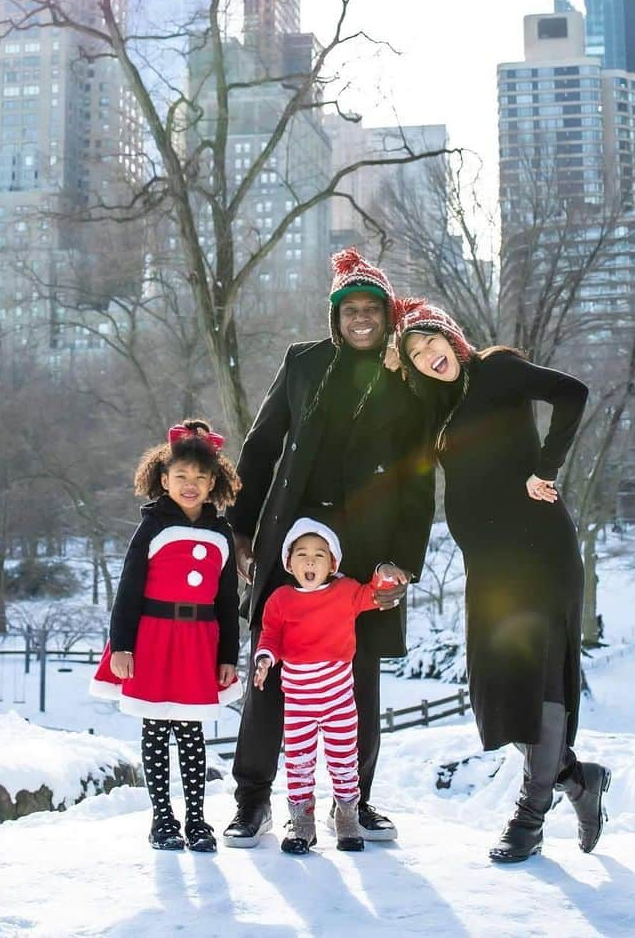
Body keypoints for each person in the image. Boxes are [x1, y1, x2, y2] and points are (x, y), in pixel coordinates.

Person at [223, 248, 436, 848]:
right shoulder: (303, 363)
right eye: (350, 310)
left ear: (387, 316)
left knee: (358, 676)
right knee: (269, 670)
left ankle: (356, 803)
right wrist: (242, 529)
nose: (361, 318)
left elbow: (420, 476)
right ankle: (252, 803)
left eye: (372, 308)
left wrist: (405, 559)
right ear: (335, 316)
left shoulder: (406, 379)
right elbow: (263, 446)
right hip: (293, 540)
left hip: (368, 551)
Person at [394, 298, 610, 864]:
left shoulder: (498, 369)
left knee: (539, 675)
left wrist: (546, 467)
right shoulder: (433, 411)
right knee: (497, 686)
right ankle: (575, 776)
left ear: (452, 339)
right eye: (414, 354)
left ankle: (531, 813)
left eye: (431, 343)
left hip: (539, 549)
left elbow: (573, 393)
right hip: (487, 565)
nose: (426, 356)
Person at [90, 419, 242, 852]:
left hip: (199, 644)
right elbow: (128, 589)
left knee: (192, 733)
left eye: (199, 478)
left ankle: (197, 820)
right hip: (153, 640)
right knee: (157, 730)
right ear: (163, 479)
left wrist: (227, 655)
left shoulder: (220, 532)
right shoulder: (152, 527)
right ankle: (163, 821)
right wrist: (122, 646)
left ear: (214, 482)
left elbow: (227, 601)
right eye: (181, 477)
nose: (190, 485)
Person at [254, 518, 401, 854]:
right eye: (302, 554)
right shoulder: (280, 599)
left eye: (320, 555)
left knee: (343, 761)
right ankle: (302, 824)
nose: (310, 561)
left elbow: (374, 594)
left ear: (333, 563)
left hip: (338, 699)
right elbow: (271, 636)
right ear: (288, 563)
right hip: (299, 702)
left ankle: (347, 820)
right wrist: (264, 660)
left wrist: (387, 572)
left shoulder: (345, 591)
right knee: (299, 763)